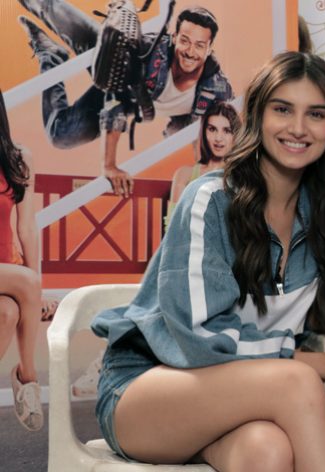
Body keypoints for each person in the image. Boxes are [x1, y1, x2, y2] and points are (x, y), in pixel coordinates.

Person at [90, 51, 325, 471]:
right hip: (147, 387)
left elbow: (286, 314)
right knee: (299, 380)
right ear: (257, 115)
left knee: (268, 451)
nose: (298, 128)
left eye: (316, 114)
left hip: (234, 405)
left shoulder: (322, 216)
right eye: (283, 109)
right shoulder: (210, 200)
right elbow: (200, 339)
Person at [17, 2, 233, 198]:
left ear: (209, 48)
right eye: (185, 41)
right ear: (174, 37)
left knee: (61, 134)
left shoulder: (218, 89)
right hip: (118, 63)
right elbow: (116, 101)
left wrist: (204, 173)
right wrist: (109, 165)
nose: (190, 52)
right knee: (55, 13)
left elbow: (217, 131)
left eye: (199, 45)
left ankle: (51, 55)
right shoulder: (149, 53)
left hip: (132, 98)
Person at [0, 90, 58, 432]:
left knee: (8, 312)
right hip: (14, 277)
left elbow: (26, 227)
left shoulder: (18, 159)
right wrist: (32, 286)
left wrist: (33, 293)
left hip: (8, 273)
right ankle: (28, 377)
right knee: (26, 283)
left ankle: (25, 378)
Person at [169, 101, 239, 205]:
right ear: (204, 132)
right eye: (212, 129)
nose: (218, 138)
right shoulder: (184, 175)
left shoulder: (241, 176)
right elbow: (174, 215)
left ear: (236, 135)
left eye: (227, 131)